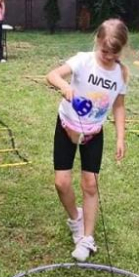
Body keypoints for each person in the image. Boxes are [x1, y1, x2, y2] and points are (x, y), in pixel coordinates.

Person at [46, 19, 129, 262]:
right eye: (104, 51)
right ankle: (75, 220)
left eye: (114, 54)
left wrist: (120, 137)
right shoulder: (83, 60)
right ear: (98, 42)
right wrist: (64, 86)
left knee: (90, 184)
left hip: (93, 133)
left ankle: (87, 238)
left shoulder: (120, 73)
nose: (107, 57)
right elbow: (51, 75)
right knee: (61, 183)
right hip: (67, 127)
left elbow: (120, 106)